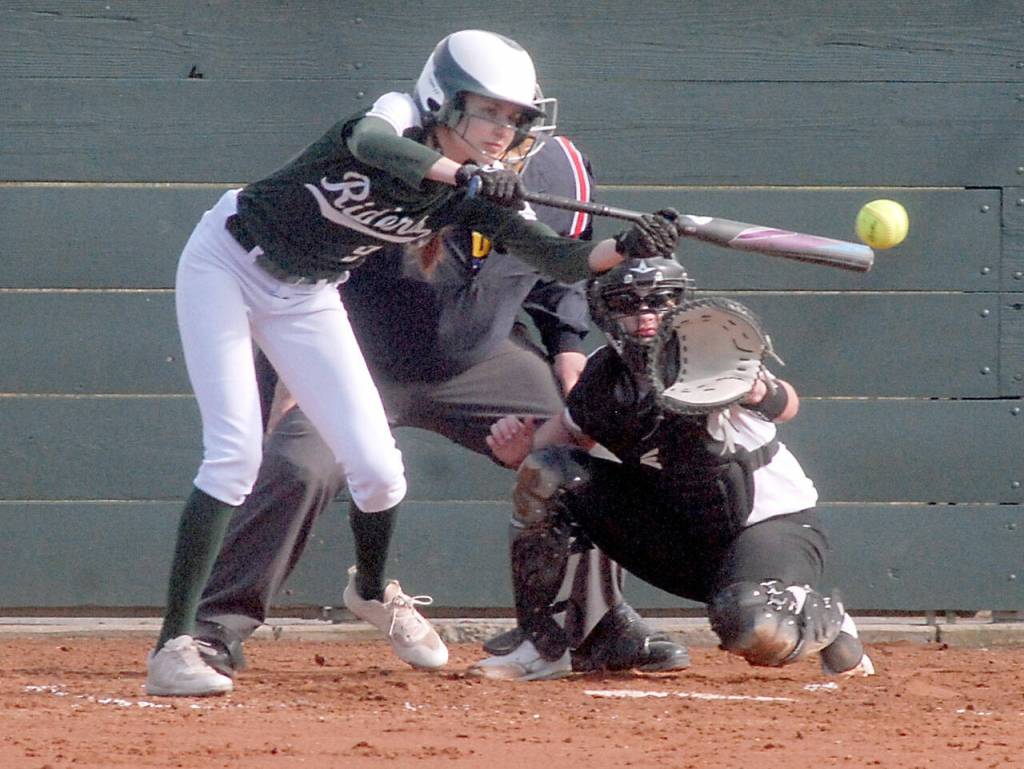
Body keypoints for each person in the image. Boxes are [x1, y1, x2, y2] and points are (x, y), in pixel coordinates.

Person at [146, 28, 682, 697]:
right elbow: (372, 144)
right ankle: (185, 641)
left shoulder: (483, 188)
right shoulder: (398, 116)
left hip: (309, 296)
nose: (503, 130)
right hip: (229, 263)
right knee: (238, 456)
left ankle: (379, 593)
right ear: (442, 103)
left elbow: (563, 260)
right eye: (487, 111)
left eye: (514, 117)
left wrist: (627, 246)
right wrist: (462, 174)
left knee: (380, 473)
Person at [471, 257, 875, 681]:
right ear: (606, 311)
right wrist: (518, 451)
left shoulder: (711, 355)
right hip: (682, 536)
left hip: (769, 528)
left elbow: (786, 405)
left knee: (752, 627)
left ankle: (822, 619)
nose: (645, 315)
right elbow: (558, 444)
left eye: (659, 302)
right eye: (628, 303)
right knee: (549, 472)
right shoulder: (604, 376)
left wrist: (760, 390)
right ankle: (551, 643)